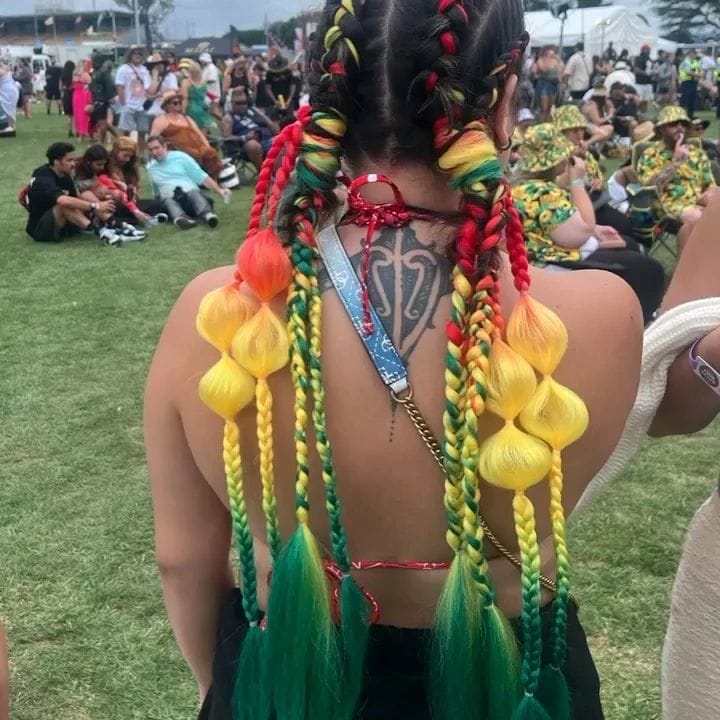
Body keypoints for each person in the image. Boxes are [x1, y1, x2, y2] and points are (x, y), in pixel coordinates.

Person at [142, 3, 669, 719]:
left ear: (325, 98)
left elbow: (183, 560)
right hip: (513, 688)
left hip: (289, 676)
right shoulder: (602, 313)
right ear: (505, 96)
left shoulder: (213, 314)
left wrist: (232, 688)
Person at [513, 123, 664, 322]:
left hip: (545, 256)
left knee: (629, 244)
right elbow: (581, 232)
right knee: (649, 270)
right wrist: (577, 182)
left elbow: (559, 227)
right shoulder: (542, 193)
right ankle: (634, 324)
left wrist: (596, 231)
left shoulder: (524, 187)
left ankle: (631, 316)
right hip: (553, 264)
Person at [636, 105, 715, 254]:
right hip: (665, 205)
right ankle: (691, 269)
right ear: (661, 129)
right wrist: (675, 163)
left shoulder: (696, 153)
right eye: (673, 124)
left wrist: (710, 194)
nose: (679, 128)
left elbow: (709, 183)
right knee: (698, 218)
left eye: (683, 124)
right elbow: (649, 187)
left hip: (697, 201)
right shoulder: (650, 154)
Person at [24, 141, 123, 245]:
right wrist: (96, 206)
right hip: (41, 230)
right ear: (57, 161)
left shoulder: (65, 176)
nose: (73, 164)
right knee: (64, 204)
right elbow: (63, 200)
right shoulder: (43, 176)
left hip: (63, 224)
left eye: (74, 160)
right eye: (69, 160)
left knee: (85, 195)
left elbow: (77, 198)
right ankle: (102, 232)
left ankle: (116, 224)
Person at [146, 135, 228, 228]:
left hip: (191, 199)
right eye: (151, 150)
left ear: (164, 146)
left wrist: (219, 190)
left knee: (193, 192)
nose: (154, 152)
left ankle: (208, 215)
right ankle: (181, 219)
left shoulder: (181, 157)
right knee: (167, 200)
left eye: (157, 148)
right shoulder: (151, 167)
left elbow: (201, 176)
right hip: (170, 202)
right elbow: (156, 192)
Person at [150, 89, 224, 178]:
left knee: (210, 152)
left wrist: (207, 146)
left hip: (198, 147)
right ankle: (203, 179)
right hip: (179, 150)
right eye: (175, 103)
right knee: (198, 154)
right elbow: (153, 139)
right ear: (167, 105)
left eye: (179, 102)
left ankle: (211, 178)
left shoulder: (186, 118)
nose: (178, 105)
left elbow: (199, 134)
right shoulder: (161, 120)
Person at [221, 88, 278, 170]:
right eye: (238, 103)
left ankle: (282, 173)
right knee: (253, 145)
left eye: (244, 103)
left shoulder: (253, 110)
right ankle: (264, 174)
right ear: (231, 104)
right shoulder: (228, 118)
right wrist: (244, 137)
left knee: (284, 140)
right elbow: (226, 137)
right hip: (245, 146)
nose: (242, 106)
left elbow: (273, 126)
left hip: (266, 138)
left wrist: (263, 117)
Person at [115, 47, 152, 154]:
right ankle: (123, 152)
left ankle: (140, 155)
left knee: (142, 132)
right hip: (128, 104)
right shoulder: (123, 69)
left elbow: (147, 87)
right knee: (126, 131)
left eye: (140, 54)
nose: (137, 55)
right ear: (130, 55)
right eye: (135, 53)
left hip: (142, 104)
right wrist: (123, 103)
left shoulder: (145, 70)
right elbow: (119, 86)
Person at [178, 58, 212, 132]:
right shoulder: (203, 82)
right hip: (203, 106)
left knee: (191, 131)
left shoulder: (186, 82)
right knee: (203, 132)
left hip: (191, 107)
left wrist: (182, 112)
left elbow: (185, 98)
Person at [91, 59, 119, 144]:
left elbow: (95, 87)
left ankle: (102, 142)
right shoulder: (106, 75)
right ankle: (119, 138)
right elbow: (111, 87)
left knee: (102, 123)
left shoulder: (99, 74)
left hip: (100, 101)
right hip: (103, 100)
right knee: (104, 123)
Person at [532, 45, 562, 121]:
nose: (551, 52)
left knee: (550, 107)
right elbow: (543, 69)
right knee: (544, 108)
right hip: (544, 84)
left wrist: (558, 60)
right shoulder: (541, 60)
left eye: (553, 51)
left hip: (553, 84)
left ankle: (548, 125)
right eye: (549, 50)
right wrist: (549, 61)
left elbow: (561, 69)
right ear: (545, 52)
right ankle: (542, 124)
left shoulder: (555, 60)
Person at [678, 49, 701, 119]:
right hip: (686, 82)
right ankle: (680, 115)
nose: (693, 55)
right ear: (688, 54)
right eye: (691, 54)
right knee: (685, 99)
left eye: (694, 54)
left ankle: (690, 115)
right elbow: (688, 72)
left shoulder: (696, 62)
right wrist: (698, 75)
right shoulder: (686, 62)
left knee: (692, 99)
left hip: (693, 82)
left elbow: (698, 70)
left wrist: (698, 75)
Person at [71, 71, 94, 143]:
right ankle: (83, 133)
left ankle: (82, 134)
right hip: (82, 95)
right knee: (81, 115)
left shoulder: (76, 75)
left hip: (78, 95)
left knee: (80, 115)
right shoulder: (83, 74)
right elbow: (89, 81)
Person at [198, 52, 221, 119]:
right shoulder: (206, 68)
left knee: (214, 112)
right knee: (210, 112)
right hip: (208, 93)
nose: (201, 62)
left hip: (212, 94)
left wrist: (202, 82)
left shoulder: (211, 68)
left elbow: (212, 79)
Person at [632, 44, 654, 110]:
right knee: (638, 100)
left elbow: (651, 70)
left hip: (648, 83)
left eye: (649, 50)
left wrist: (653, 73)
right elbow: (636, 70)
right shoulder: (638, 58)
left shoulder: (650, 59)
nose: (648, 51)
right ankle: (636, 112)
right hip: (639, 83)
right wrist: (646, 73)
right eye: (646, 49)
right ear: (642, 50)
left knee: (646, 100)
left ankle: (643, 113)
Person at [0, 62, 19, 131]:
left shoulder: (2, 70)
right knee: (8, 110)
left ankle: (6, 127)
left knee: (6, 109)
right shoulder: (4, 67)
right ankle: (10, 126)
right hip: (9, 90)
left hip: (8, 91)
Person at [61, 61, 76, 136]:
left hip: (66, 94)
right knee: (76, 114)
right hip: (73, 94)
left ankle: (70, 130)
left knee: (69, 115)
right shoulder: (73, 75)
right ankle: (77, 131)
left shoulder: (63, 74)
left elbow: (60, 85)